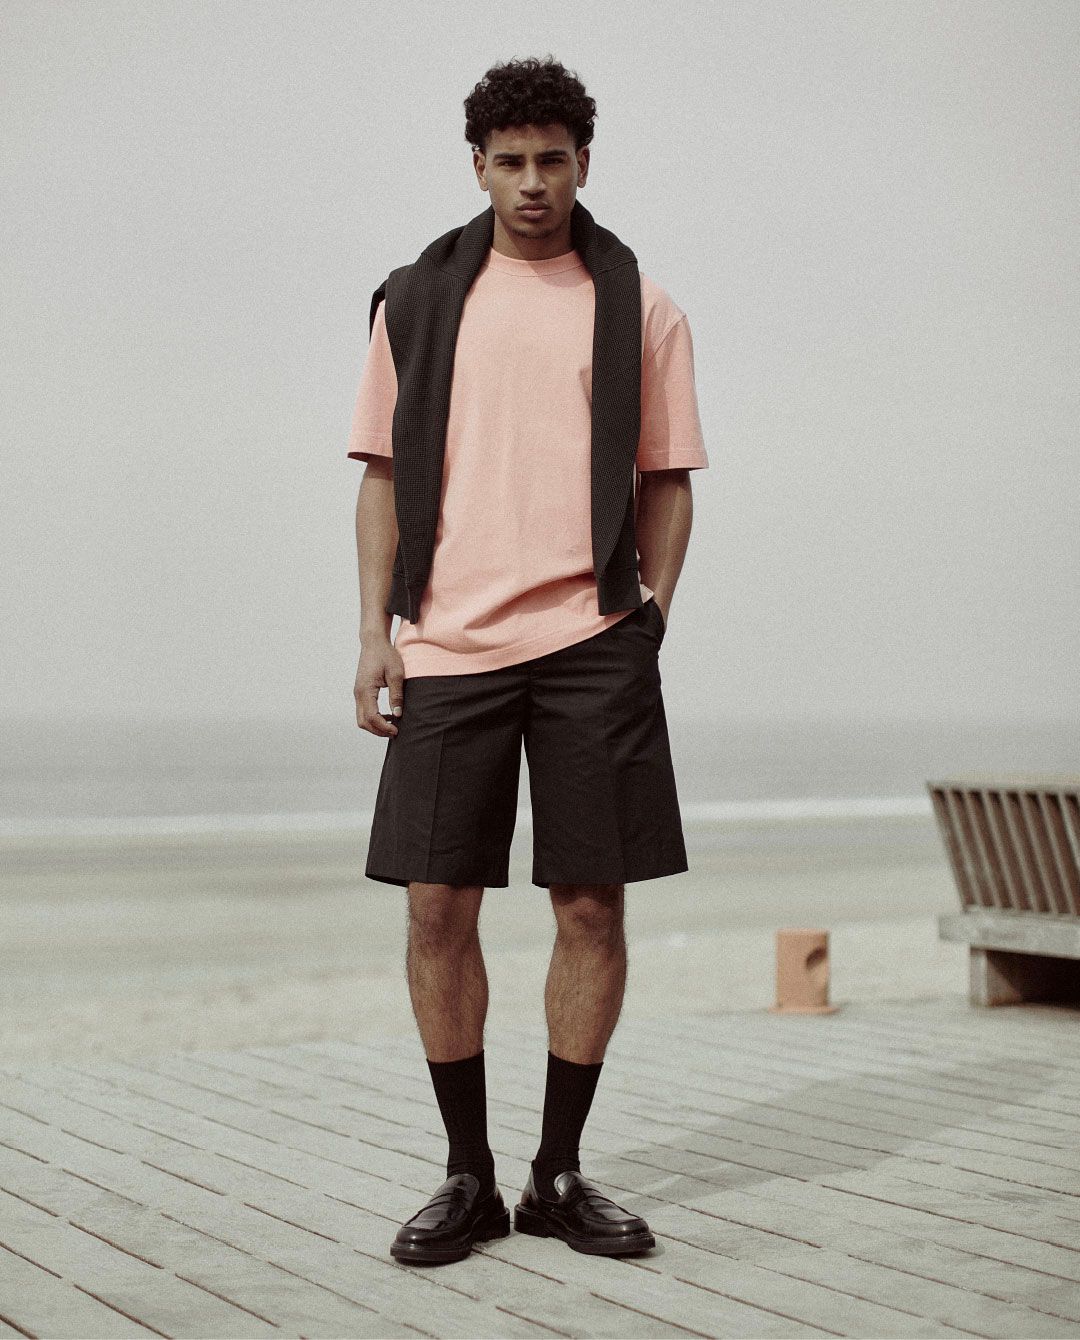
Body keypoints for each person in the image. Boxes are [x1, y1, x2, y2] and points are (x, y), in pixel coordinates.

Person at [347, 55, 708, 1266]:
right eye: (510, 162)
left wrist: (648, 618)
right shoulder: (415, 301)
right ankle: (468, 1173)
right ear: (478, 168)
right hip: (446, 642)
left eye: (554, 159)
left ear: (584, 162)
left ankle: (557, 1171)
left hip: (594, 638)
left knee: (591, 903)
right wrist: (374, 632)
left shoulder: (641, 306)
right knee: (436, 903)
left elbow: (669, 478)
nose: (534, 182)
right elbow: (380, 477)